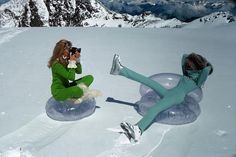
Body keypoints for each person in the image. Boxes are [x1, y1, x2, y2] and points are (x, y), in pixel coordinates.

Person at [110, 53, 213, 142]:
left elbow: (206, 70)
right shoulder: (187, 73)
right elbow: (184, 57)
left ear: (198, 67)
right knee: (149, 81)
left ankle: (138, 129)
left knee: (156, 108)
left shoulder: (197, 82)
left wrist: (206, 65)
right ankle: (120, 70)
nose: (187, 66)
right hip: (169, 92)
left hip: (177, 97)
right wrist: (191, 58)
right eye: (188, 64)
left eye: (190, 64)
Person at [48, 39, 100, 104]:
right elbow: (71, 77)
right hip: (59, 92)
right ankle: (81, 95)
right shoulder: (56, 64)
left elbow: (79, 71)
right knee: (76, 90)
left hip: (67, 87)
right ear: (61, 50)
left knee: (89, 77)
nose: (69, 51)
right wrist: (72, 62)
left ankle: (79, 94)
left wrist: (77, 60)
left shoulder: (65, 61)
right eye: (68, 49)